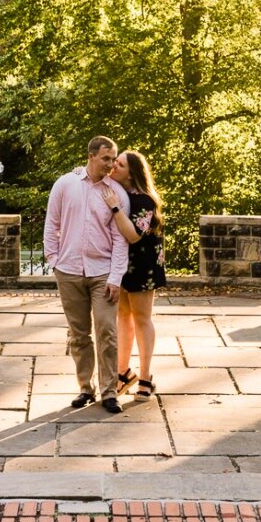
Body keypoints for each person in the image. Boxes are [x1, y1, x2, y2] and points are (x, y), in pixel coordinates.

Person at [44, 135, 130, 413]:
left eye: (114, 159)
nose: (111, 164)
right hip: (68, 270)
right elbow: (52, 223)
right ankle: (85, 388)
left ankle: (109, 392)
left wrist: (116, 277)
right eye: (106, 158)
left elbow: (120, 239)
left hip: (102, 272)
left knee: (107, 330)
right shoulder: (65, 184)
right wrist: (53, 259)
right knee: (79, 334)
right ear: (91, 155)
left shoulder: (115, 193)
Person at [105, 149, 167, 401]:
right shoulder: (122, 193)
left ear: (132, 172)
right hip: (122, 264)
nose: (113, 167)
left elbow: (133, 235)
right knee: (123, 317)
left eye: (119, 164)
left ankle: (145, 376)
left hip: (143, 264)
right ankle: (123, 373)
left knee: (142, 318)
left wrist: (115, 208)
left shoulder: (144, 200)